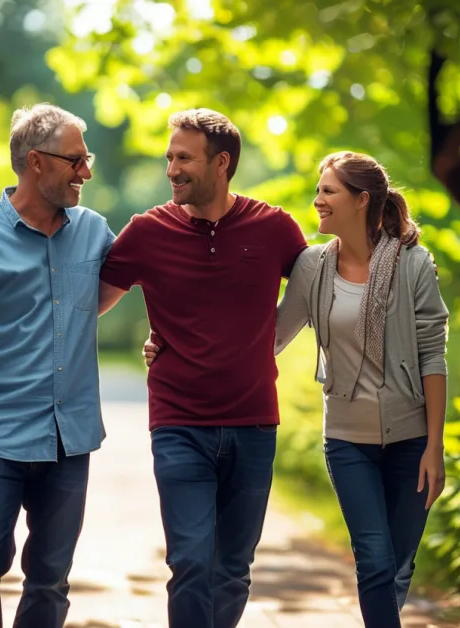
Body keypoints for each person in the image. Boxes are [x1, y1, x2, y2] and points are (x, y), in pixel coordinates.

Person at [148, 150, 450, 627]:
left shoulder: (414, 264)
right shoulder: (314, 267)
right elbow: (266, 337)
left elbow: (433, 356)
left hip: (411, 437)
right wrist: (179, 342)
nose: (318, 201)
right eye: (317, 191)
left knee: (397, 564)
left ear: (361, 199)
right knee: (373, 558)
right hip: (348, 440)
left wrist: (435, 445)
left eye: (328, 191)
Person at [97, 108, 307, 628]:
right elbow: (87, 302)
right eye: (169, 157)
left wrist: (266, 345)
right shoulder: (147, 231)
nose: (171, 168)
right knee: (190, 560)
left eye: (184, 158)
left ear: (222, 163)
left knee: (233, 568)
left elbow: (319, 292)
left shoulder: (275, 228)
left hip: (254, 423)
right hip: (178, 422)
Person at [0, 103, 114, 628]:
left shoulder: (94, 231)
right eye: (75, 160)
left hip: (69, 438)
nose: (87, 172)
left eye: (88, 159)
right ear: (36, 161)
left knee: (51, 580)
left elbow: (126, 284)